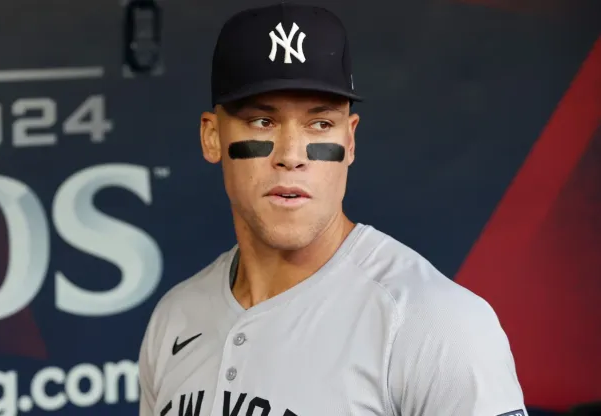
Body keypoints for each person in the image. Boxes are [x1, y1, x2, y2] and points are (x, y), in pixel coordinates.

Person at [139, 3, 526, 415]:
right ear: (212, 136)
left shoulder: (435, 324)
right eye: (262, 122)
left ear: (350, 140)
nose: (291, 155)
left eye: (319, 124)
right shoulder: (175, 318)